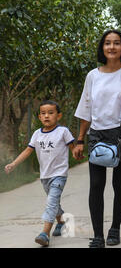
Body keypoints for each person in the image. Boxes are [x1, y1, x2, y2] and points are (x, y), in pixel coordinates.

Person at [73, 29, 121, 248]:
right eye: (108, 43)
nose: (112, 47)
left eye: (117, 43)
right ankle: (98, 235)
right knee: (96, 185)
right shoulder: (92, 76)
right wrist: (80, 139)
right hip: (97, 134)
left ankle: (114, 229)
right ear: (102, 48)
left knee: (119, 184)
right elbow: (86, 110)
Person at [4, 100, 75, 247]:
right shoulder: (37, 134)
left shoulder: (63, 131)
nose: (47, 116)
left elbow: (73, 148)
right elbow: (28, 151)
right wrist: (14, 164)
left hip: (59, 174)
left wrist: (77, 153)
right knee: (54, 202)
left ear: (59, 115)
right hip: (45, 176)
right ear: (39, 117)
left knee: (51, 202)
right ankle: (61, 222)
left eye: (51, 113)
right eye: (43, 113)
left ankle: (44, 234)